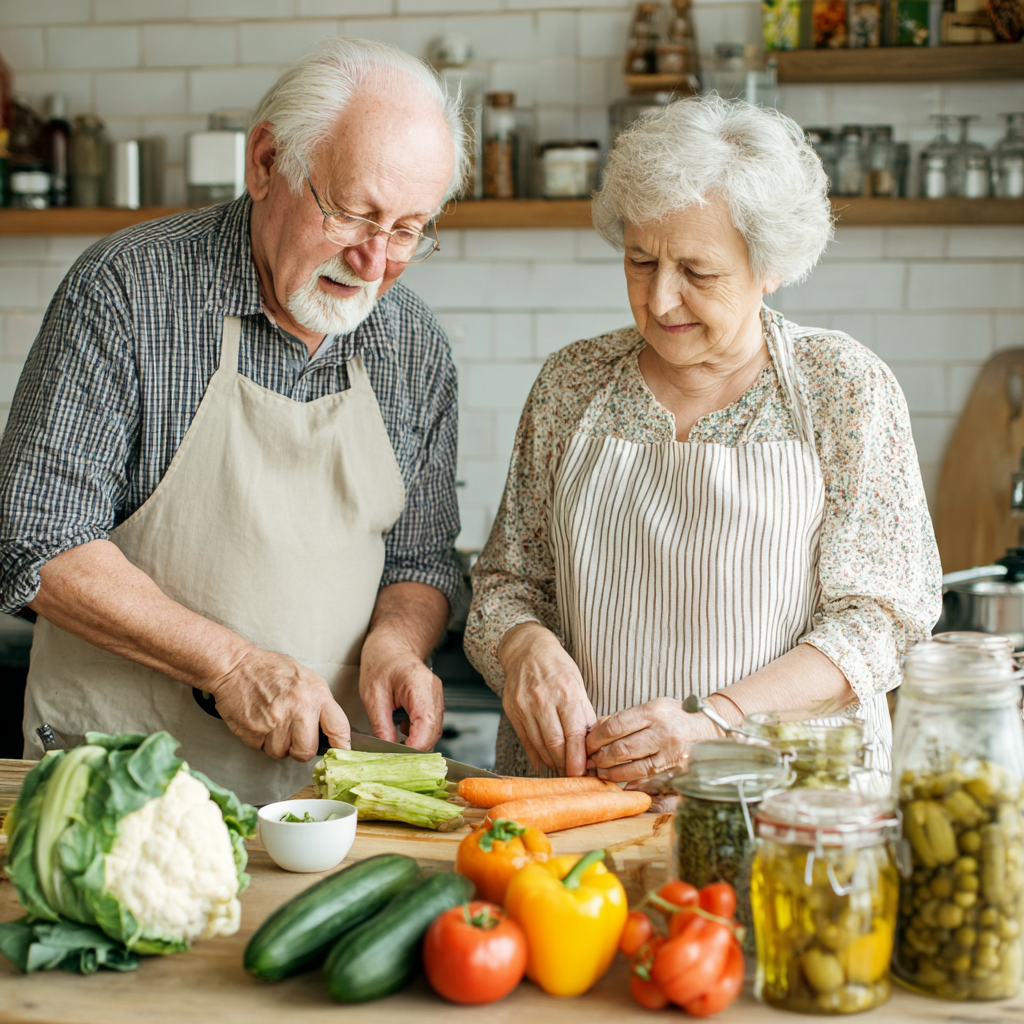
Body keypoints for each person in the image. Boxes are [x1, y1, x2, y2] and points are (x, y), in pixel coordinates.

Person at [0, 38, 469, 803]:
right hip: (122, 787)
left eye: (410, 229)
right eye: (354, 213)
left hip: (323, 807)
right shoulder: (127, 294)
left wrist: (398, 641)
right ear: (264, 163)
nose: (375, 261)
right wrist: (230, 664)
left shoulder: (413, 345)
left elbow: (421, 561)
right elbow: (34, 536)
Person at [464, 95, 941, 780]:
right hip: (585, 803)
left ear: (769, 266)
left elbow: (878, 623)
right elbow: (510, 581)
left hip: (783, 805)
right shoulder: (573, 384)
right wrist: (523, 647)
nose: (659, 300)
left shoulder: (841, 388)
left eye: (698, 271)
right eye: (639, 261)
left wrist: (715, 718)